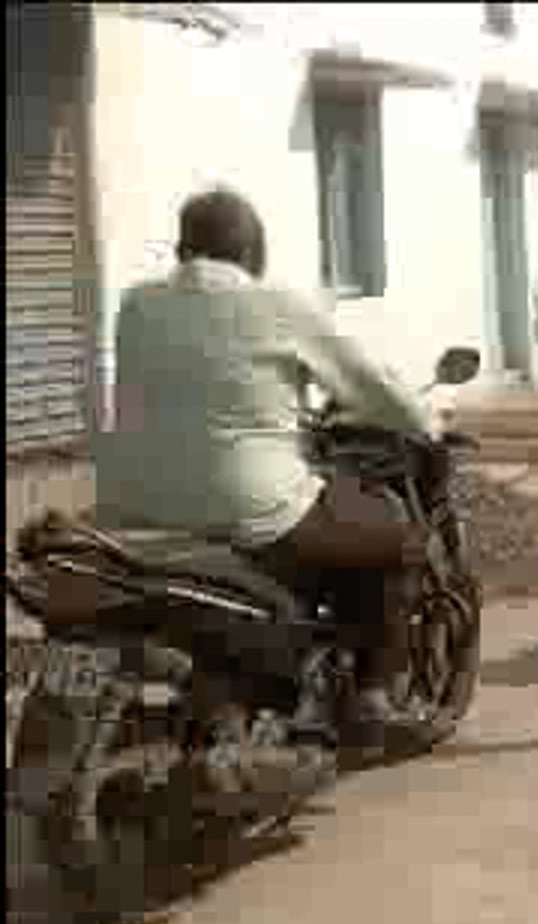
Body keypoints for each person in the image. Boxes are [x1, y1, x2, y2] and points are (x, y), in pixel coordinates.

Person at [94, 187, 435, 746]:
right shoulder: (277, 305)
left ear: (182, 250)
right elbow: (372, 385)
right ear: (254, 255)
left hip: (133, 508)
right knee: (395, 537)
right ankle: (373, 696)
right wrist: (426, 425)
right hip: (246, 507)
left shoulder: (135, 304)